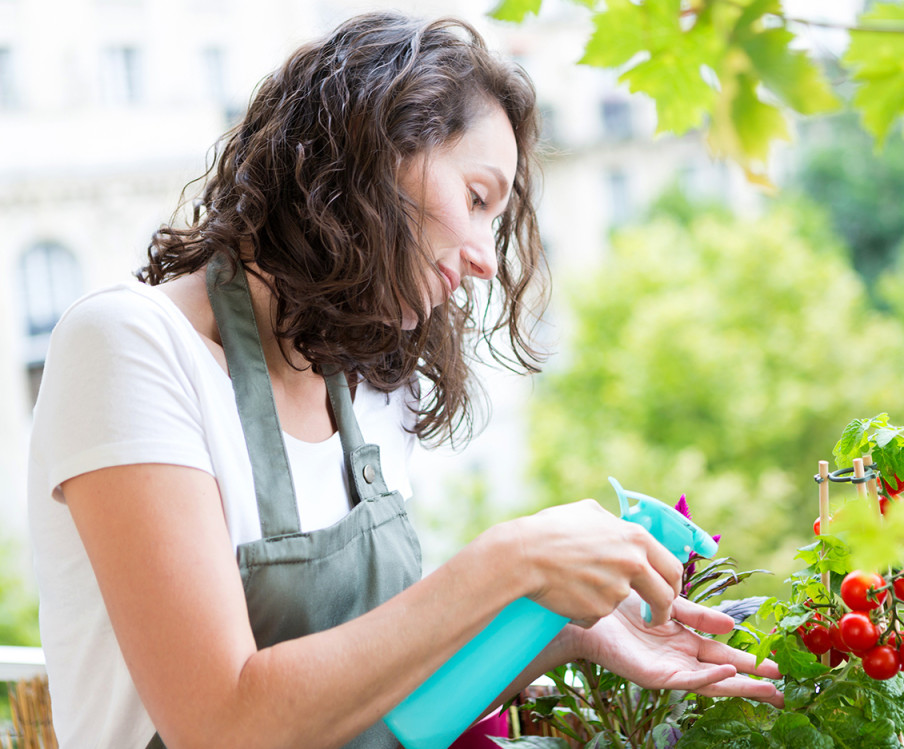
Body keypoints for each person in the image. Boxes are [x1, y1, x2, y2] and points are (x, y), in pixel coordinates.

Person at [26, 11, 783, 749]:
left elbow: (388, 708)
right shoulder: (130, 346)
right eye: (478, 198)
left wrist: (559, 629)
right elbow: (221, 723)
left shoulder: (374, 383)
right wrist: (503, 565)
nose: (487, 256)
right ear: (375, 156)